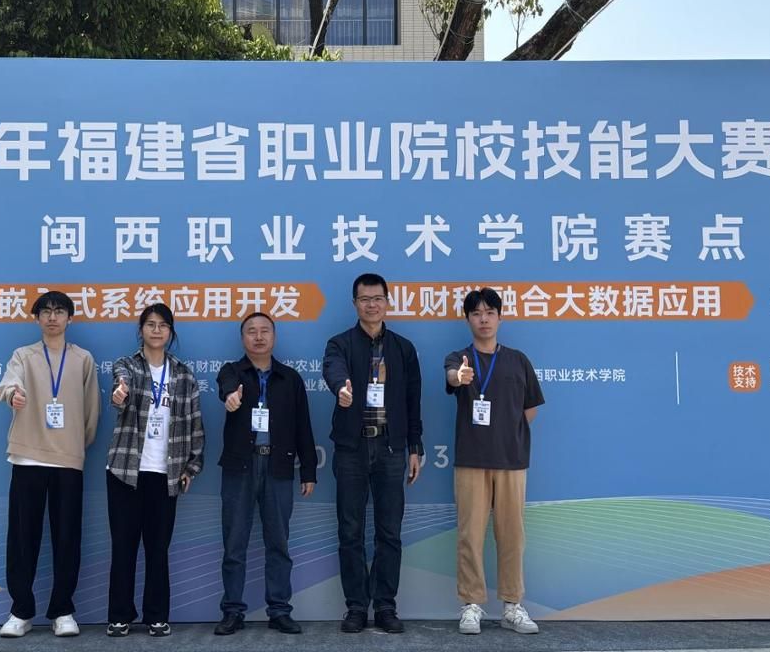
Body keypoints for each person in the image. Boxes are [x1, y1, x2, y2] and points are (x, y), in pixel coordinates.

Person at [0, 290, 100, 639]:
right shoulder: (23, 356)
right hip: (28, 457)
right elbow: (8, 384)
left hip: (68, 460)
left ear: (70, 318)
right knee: (23, 538)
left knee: (67, 537)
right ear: (37, 318)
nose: (52, 317)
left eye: (59, 311)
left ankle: (62, 610)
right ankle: (21, 611)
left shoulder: (83, 359)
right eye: (46, 311)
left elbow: (91, 411)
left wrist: (74, 445)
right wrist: (14, 394)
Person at [322, 272, 423, 634]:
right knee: (350, 531)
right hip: (352, 447)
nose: (372, 305)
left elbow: (413, 400)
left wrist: (415, 447)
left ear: (387, 302)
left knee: (389, 532)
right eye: (365, 299)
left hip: (391, 447)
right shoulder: (340, 344)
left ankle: (385, 606)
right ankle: (355, 606)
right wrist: (341, 388)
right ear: (355, 304)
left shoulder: (403, 348)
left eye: (378, 298)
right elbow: (333, 369)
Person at [444, 287, 545, 635]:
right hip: (471, 461)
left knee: (512, 536)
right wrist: (459, 377)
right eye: (476, 313)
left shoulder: (518, 360)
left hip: (512, 462)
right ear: (468, 320)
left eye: (490, 312)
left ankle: (512, 605)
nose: (483, 319)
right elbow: (452, 377)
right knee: (469, 536)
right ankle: (471, 604)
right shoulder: (459, 358)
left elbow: (530, 408)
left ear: (500, 317)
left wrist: (507, 434)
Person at [214, 312, 318, 636]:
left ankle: (279, 610)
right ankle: (232, 611)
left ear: (274, 336)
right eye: (251, 331)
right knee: (234, 543)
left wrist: (308, 471)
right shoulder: (232, 372)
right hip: (240, 468)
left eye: (264, 331)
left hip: (278, 467)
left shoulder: (290, 379)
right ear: (242, 338)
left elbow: (303, 427)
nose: (258, 337)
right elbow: (226, 387)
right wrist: (231, 397)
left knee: (279, 543)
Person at [105, 303, 205, 638]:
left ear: (171, 332)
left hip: (167, 474)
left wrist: (192, 466)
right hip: (125, 471)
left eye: (163, 325)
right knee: (123, 547)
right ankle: (119, 615)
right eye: (150, 324)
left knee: (158, 549)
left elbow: (195, 423)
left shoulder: (184, 375)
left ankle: (157, 616)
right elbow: (120, 390)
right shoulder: (127, 365)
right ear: (141, 330)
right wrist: (120, 394)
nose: (157, 330)